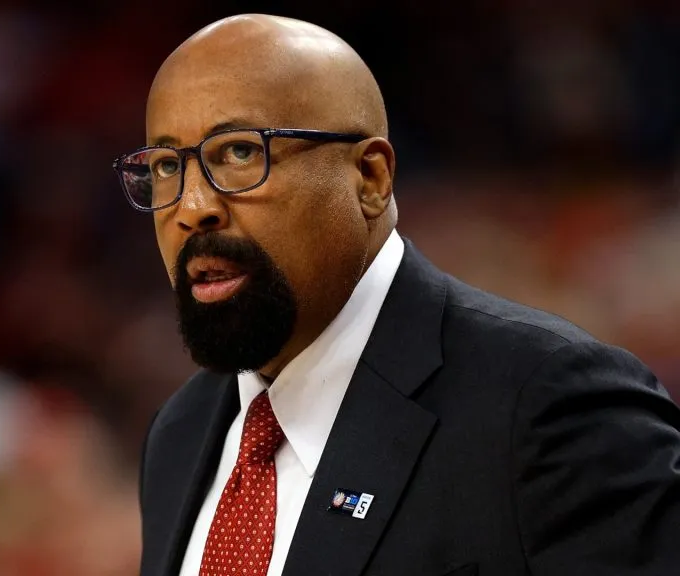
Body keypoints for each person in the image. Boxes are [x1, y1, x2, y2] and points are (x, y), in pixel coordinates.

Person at [114, 13, 680, 576]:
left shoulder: (546, 408)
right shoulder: (180, 433)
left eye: (239, 153)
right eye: (166, 166)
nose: (191, 208)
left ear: (371, 178)